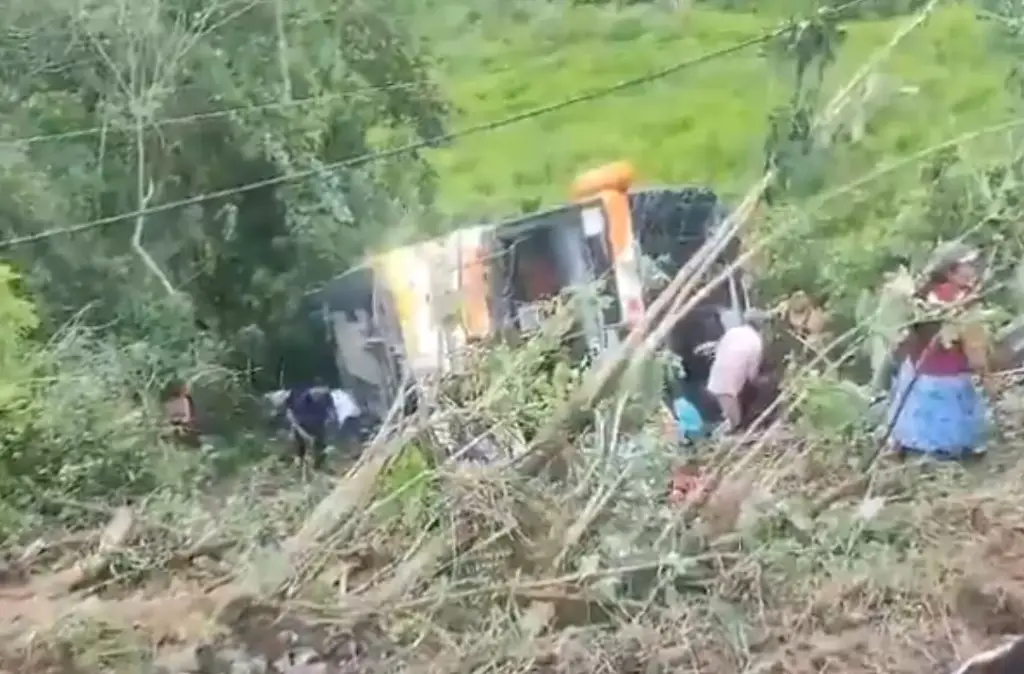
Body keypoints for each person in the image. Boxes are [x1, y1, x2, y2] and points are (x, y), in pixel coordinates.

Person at [887, 243, 989, 460]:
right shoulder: (960, 300)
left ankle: (912, 447)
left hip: (918, 370)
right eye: (967, 265)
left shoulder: (922, 294)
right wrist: (984, 372)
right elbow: (974, 345)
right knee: (950, 427)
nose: (972, 269)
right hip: (945, 375)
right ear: (950, 271)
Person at [706, 310, 769, 432]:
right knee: (735, 422)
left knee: (730, 418)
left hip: (716, 378)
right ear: (761, 326)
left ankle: (719, 436)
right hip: (727, 387)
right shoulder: (756, 342)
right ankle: (718, 441)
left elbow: (719, 350)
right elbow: (752, 375)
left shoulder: (733, 332)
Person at [285, 378, 334, 469]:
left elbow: (330, 414)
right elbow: (293, 420)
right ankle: (298, 461)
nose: (319, 396)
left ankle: (318, 463)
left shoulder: (326, 397)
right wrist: (306, 436)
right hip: (300, 427)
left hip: (318, 427)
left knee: (320, 447)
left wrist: (329, 421)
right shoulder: (299, 400)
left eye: (322, 394)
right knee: (298, 445)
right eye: (317, 394)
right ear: (311, 390)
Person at [164, 379, 199, 447]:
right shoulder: (173, 401)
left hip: (183, 424)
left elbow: (187, 416)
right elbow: (171, 416)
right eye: (185, 388)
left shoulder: (186, 400)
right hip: (179, 424)